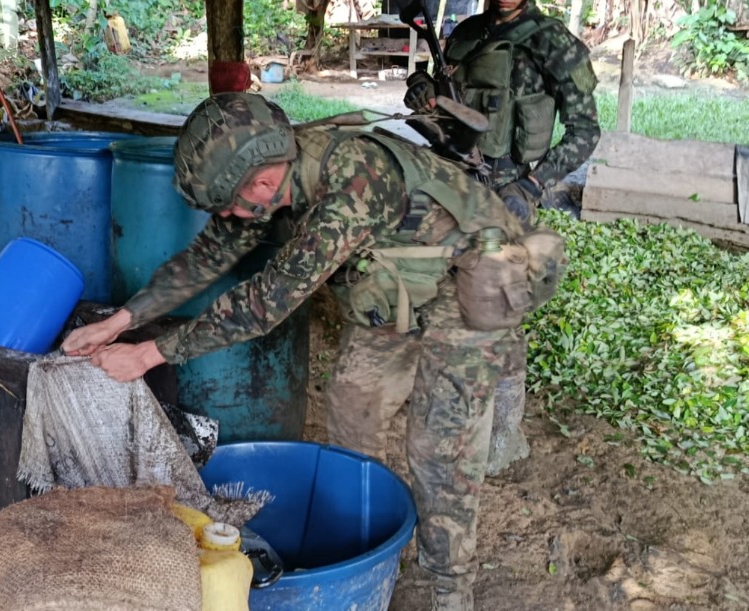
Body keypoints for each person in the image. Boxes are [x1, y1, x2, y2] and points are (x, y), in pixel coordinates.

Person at [63, 92, 563, 610]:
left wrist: (147, 355)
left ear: (260, 182)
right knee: (351, 408)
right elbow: (203, 259)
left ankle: (449, 587)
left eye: (230, 204)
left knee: (439, 452)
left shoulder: (352, 185)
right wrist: (123, 321)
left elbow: (265, 302)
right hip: (394, 290)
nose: (230, 217)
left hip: (467, 289)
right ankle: (369, 539)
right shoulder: (267, 174)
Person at [404, 0, 600, 473]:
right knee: (442, 299)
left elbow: (585, 131)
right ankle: (449, 415)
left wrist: (533, 185)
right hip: (453, 182)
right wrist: (423, 90)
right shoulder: (466, 32)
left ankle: (502, 438)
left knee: (496, 311)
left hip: (509, 186)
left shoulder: (555, 43)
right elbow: (444, 98)